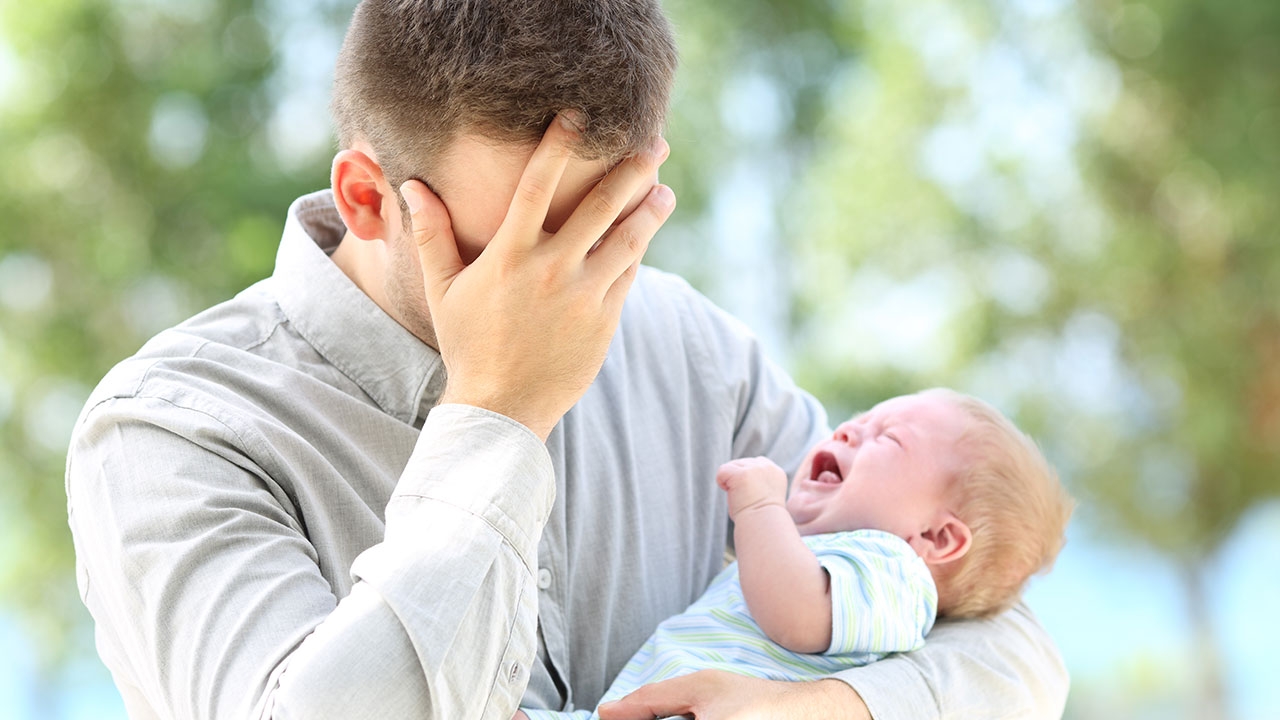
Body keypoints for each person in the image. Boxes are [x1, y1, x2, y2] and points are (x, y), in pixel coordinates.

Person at [65, 1, 1069, 719]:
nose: (579, 278)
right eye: (530, 236)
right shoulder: (174, 431)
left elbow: (1003, 644)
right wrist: (494, 419)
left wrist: (822, 707)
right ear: (369, 197)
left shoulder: (690, 350)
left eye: (615, 224)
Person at [518, 388, 1074, 720]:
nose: (851, 430)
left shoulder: (894, 572)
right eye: (860, 420)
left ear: (937, 539)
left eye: (888, 438)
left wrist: (761, 508)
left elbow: (796, 615)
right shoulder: (834, 552)